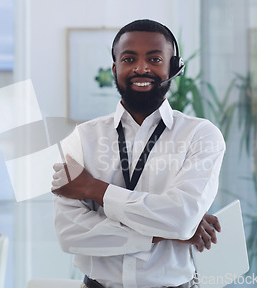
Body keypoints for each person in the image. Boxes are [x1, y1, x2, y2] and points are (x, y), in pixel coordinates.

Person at [52, 19, 225, 288]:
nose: (141, 68)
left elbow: (181, 218)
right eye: (129, 58)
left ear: (173, 67)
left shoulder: (201, 136)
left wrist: (95, 189)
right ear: (115, 68)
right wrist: (166, 234)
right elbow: (70, 235)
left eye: (155, 59)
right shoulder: (82, 138)